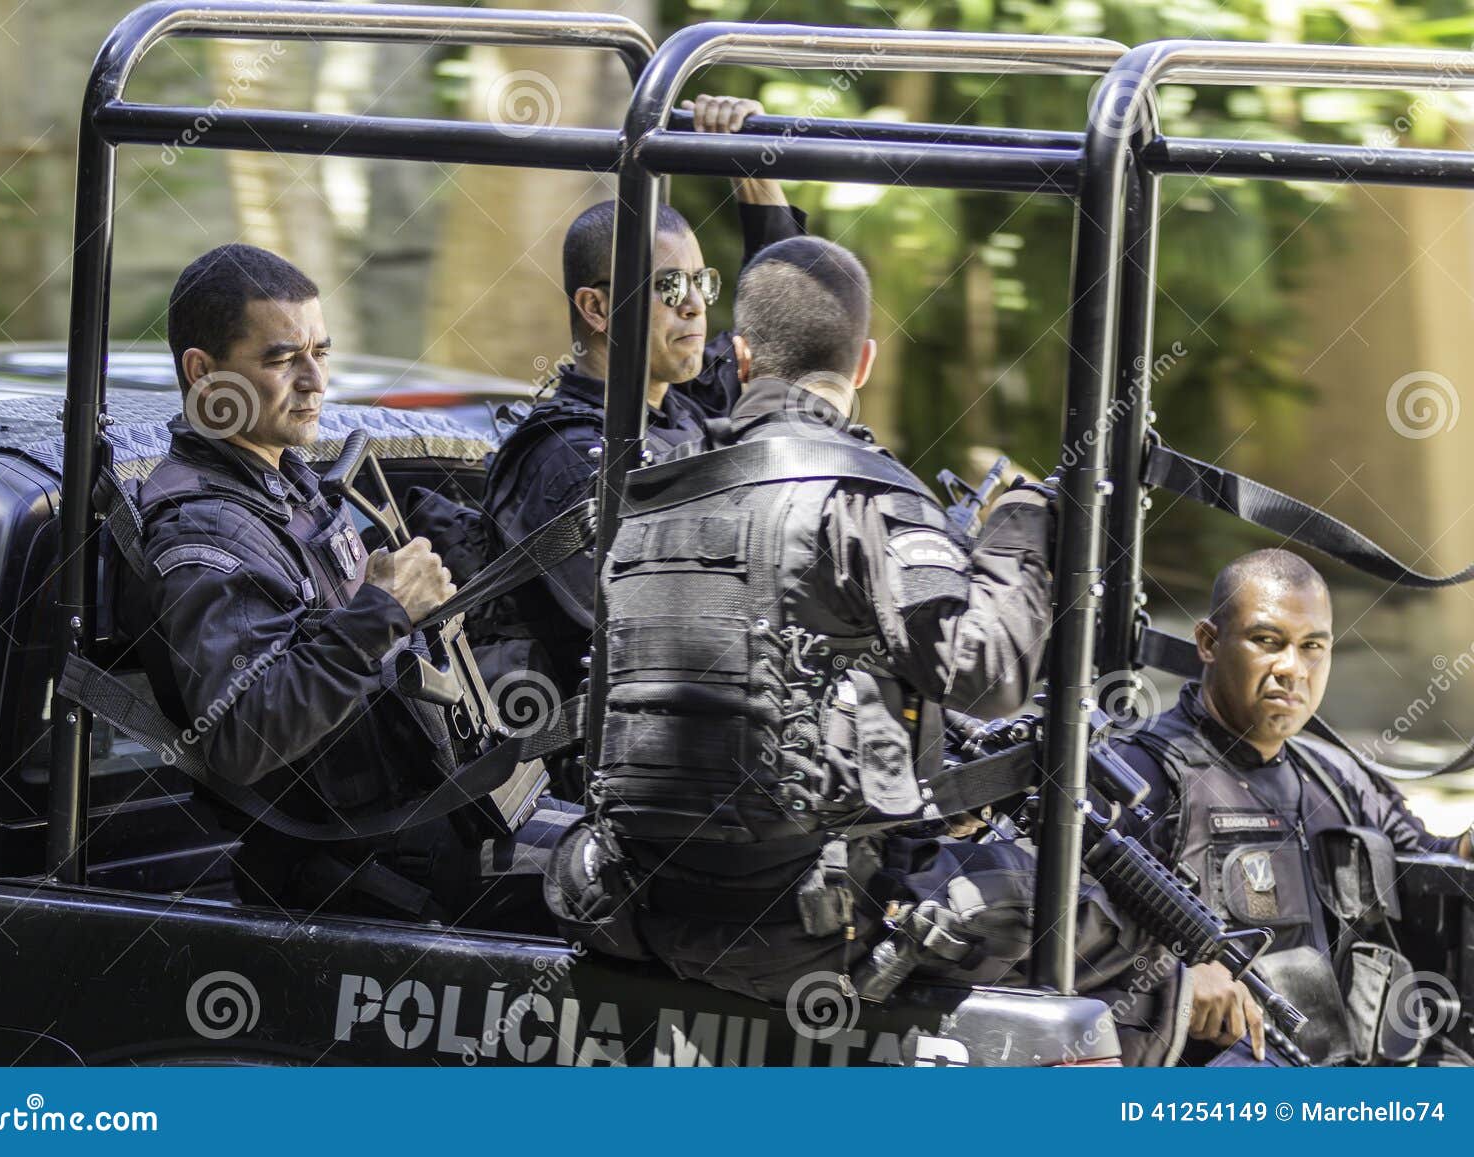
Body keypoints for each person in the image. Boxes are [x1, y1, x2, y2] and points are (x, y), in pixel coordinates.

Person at [545, 235, 1143, 1007]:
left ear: (743, 356)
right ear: (864, 363)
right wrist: (1021, 527)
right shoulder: (866, 497)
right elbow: (988, 672)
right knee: (1120, 922)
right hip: (808, 934)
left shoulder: (650, 492)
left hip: (640, 909)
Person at [118, 243, 570, 932]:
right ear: (203, 372)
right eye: (281, 358)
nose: (313, 380)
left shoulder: (282, 482)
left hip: (429, 823)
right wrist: (384, 608)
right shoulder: (204, 529)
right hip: (363, 880)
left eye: (320, 353)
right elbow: (242, 731)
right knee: (619, 893)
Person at [474, 94, 808, 699]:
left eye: (703, 283)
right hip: (609, 757)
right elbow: (656, 625)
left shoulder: (686, 401)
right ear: (597, 308)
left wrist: (754, 173)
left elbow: (787, 330)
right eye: (670, 286)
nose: (696, 305)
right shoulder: (566, 457)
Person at [1110, 548, 1474, 1065]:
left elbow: (1431, 866)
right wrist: (1175, 976)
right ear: (1209, 642)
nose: (1292, 668)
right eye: (1267, 641)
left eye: (1312, 647)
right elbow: (1071, 928)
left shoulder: (1337, 776)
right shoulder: (1142, 772)